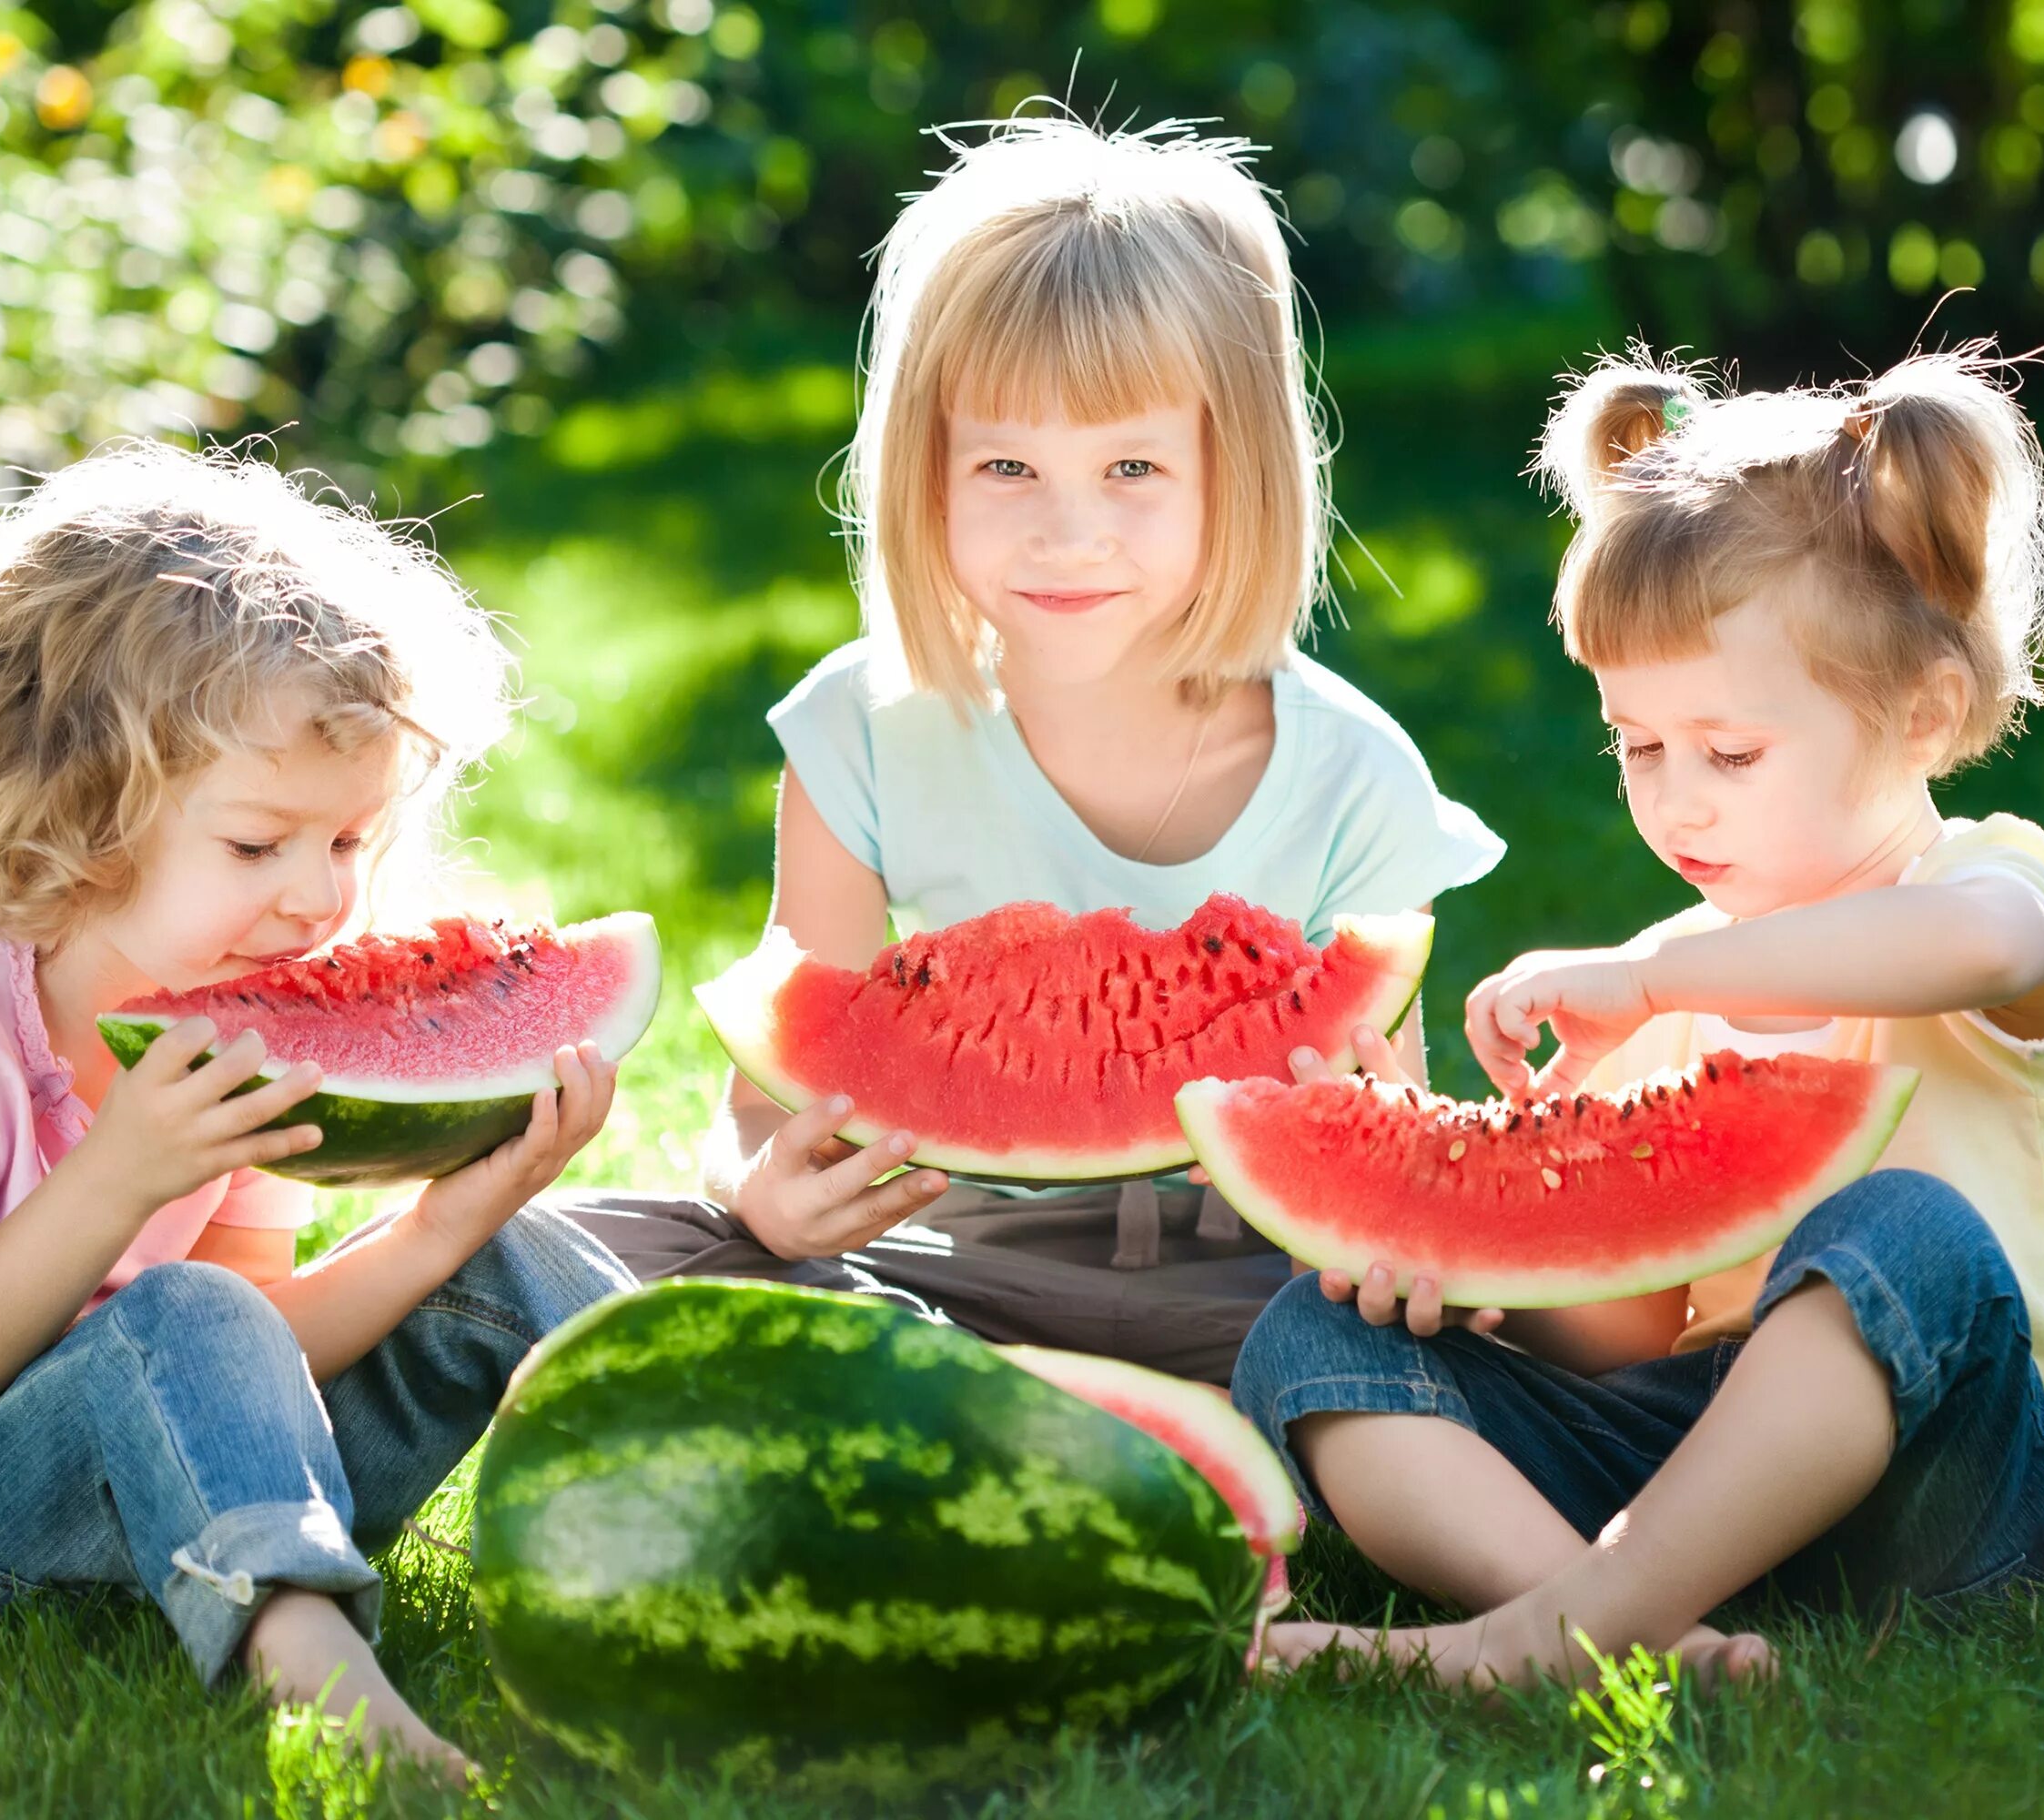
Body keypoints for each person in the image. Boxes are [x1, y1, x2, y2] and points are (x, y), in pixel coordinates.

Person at [1232, 346, 2044, 1687]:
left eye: (1728, 751)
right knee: (1305, 1341)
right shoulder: (1667, 976)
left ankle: (1542, 1637)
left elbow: (1975, 947)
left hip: (1960, 1487)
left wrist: (1659, 981)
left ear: (1923, 715)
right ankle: (1630, 1629)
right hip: (1690, 1473)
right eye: (1636, 745)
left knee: (1907, 1233)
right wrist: (1479, 1273)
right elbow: (1637, 1325)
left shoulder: (1995, 887)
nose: (1677, 799)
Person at [551, 113, 1503, 1383]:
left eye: (1131, 467)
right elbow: (765, 1111)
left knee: (1467, 1329)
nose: (1069, 534)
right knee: (562, 1254)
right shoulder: (858, 734)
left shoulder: (1357, 781)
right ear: (920, 470)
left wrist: (1403, 1223)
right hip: (943, 1271)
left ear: (1243, 471)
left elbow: (1378, 1135)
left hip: (1260, 1298)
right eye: (1006, 464)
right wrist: (761, 1194)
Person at [0, 440, 632, 1775]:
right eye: (256, 843)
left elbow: (259, 1346)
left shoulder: (257, 1019)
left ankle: (735, 1523)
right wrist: (122, 1174)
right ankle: (319, 1676)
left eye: (347, 841)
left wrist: (450, 1226)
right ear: (80, 808)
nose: (316, 899)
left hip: (196, 1475)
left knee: (512, 1258)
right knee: (180, 1309)